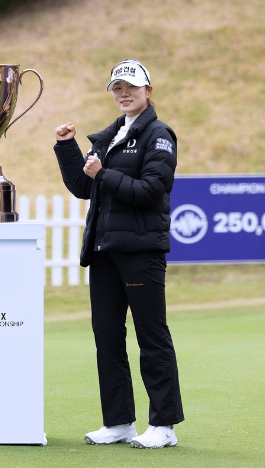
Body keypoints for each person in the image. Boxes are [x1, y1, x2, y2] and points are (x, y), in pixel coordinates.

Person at [53, 59, 184, 449]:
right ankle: (119, 422)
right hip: (105, 251)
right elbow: (83, 186)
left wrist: (102, 175)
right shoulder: (108, 137)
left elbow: (150, 190)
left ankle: (163, 425)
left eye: (131, 87)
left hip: (141, 251)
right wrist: (67, 148)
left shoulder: (159, 135)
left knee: (151, 336)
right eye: (117, 87)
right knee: (107, 336)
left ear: (148, 90)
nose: (123, 93)